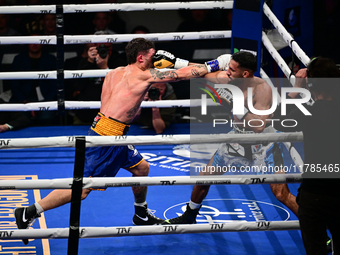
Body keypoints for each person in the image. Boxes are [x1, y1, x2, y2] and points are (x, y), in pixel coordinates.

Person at [13, 37, 229, 245]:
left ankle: (141, 214)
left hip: (106, 131)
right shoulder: (144, 76)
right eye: (152, 56)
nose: (155, 60)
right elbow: (184, 75)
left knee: (141, 169)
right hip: (108, 138)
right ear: (141, 58)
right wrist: (217, 63)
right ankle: (30, 211)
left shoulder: (114, 73)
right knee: (83, 188)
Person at [160, 51, 299, 224]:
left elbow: (259, 126)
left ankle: (317, 228)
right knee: (204, 177)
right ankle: (189, 215)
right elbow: (203, 73)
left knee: (281, 194)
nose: (227, 72)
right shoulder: (228, 78)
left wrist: (234, 104)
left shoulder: (262, 90)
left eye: (232, 69)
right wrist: (177, 62)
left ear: (245, 73)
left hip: (263, 143)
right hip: (237, 139)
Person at [272, 57, 340, 255]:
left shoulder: (308, 113)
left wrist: (296, 88)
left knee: (315, 251)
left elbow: (278, 121)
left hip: (315, 193)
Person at [9, 33, 57, 126]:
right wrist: (26, 102)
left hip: (46, 99)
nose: (34, 44)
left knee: (46, 118)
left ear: (43, 43)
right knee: (20, 118)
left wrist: (44, 104)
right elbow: (14, 85)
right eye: (31, 41)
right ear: (27, 43)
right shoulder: (19, 59)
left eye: (37, 41)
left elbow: (54, 86)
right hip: (24, 99)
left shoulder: (50, 59)